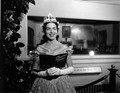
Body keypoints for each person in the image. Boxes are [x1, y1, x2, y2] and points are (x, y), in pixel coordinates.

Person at [29, 13, 76, 93]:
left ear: (57, 31)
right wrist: (44, 73)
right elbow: (33, 71)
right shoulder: (39, 48)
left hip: (62, 82)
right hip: (43, 83)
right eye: (48, 29)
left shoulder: (65, 48)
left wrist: (60, 72)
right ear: (44, 31)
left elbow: (71, 68)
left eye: (54, 28)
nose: (51, 32)